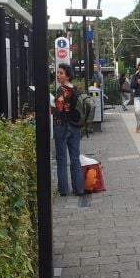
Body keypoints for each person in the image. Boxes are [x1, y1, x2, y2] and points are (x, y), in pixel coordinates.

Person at [53, 63, 85, 196]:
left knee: (61, 159)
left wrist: (51, 106)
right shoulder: (76, 89)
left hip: (62, 126)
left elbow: (59, 110)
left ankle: (64, 190)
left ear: (67, 76)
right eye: (58, 72)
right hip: (75, 127)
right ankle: (79, 189)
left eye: (61, 73)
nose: (58, 75)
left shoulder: (62, 90)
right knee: (75, 158)